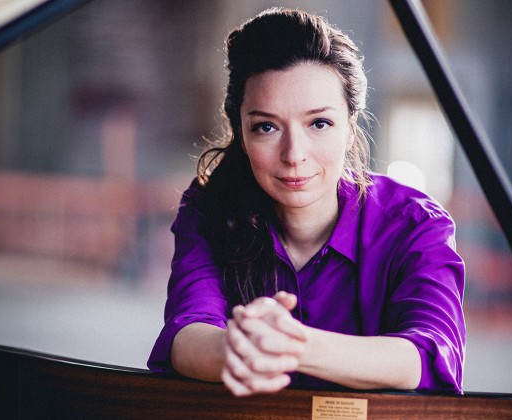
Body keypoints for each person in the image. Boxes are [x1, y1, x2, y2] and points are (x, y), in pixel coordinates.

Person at [147, 7, 465, 397]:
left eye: (319, 123)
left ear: (350, 128)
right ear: (241, 134)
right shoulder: (209, 207)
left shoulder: (415, 223)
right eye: (266, 127)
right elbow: (186, 334)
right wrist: (237, 349)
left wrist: (293, 346)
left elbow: (431, 353)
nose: (294, 154)